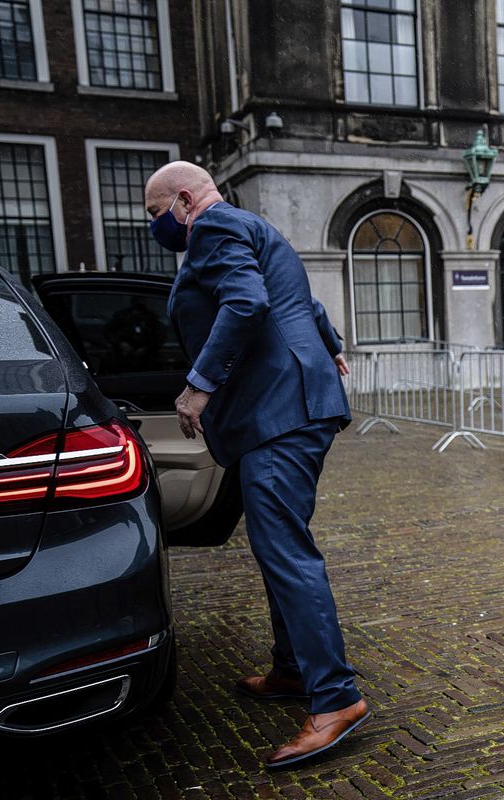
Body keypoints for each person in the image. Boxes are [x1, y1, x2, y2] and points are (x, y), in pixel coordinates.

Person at [143, 161, 369, 769]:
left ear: (185, 200)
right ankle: (293, 671)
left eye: (155, 215)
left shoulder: (213, 231)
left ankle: (336, 698)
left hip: (279, 414)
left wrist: (198, 385)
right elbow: (299, 297)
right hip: (290, 406)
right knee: (278, 546)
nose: (154, 227)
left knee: (287, 552)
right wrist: (329, 345)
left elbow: (247, 301)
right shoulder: (251, 226)